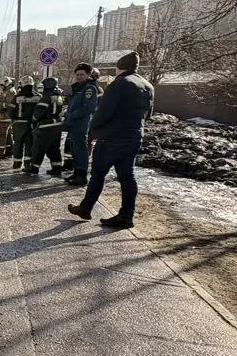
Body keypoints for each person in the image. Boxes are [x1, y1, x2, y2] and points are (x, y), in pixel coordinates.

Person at [68, 51, 154, 228]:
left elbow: (103, 113)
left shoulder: (119, 84)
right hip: (134, 137)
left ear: (119, 67)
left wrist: (94, 129)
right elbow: (149, 114)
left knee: (98, 173)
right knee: (127, 176)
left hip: (112, 137)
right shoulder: (148, 85)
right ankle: (126, 215)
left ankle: (85, 208)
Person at [61, 63, 100, 186]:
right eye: (77, 74)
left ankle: (82, 175)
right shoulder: (78, 88)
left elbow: (88, 107)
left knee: (80, 149)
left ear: (88, 75)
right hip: (73, 124)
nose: (79, 77)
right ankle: (77, 172)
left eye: (82, 74)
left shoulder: (89, 88)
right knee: (74, 149)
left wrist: (72, 115)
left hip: (81, 124)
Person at [24, 76, 65, 175]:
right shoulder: (58, 96)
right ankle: (57, 167)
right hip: (57, 125)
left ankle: (34, 168)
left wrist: (33, 120)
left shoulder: (46, 97)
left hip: (45, 126)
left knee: (38, 148)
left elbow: (38, 112)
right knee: (54, 148)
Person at [10, 78, 39, 170]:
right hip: (32, 124)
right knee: (29, 144)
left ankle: (16, 164)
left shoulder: (17, 97)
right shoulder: (38, 96)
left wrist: (13, 119)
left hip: (19, 124)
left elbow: (10, 110)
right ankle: (27, 165)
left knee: (18, 144)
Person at [0, 77, 16, 158]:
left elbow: (8, 104)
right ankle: (9, 151)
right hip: (6, 116)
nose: (1, 87)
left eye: (2, 85)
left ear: (6, 84)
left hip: (7, 117)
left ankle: (0, 153)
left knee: (0, 134)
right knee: (8, 135)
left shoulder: (10, 92)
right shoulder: (8, 91)